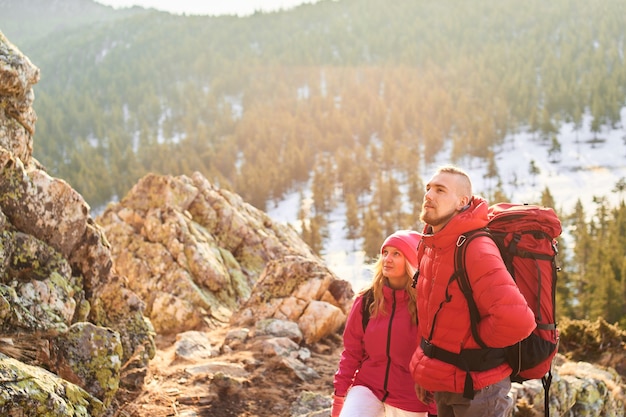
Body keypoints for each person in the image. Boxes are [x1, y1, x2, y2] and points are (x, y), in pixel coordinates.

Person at [409, 165, 536, 417]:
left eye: (440, 190)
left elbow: (518, 320)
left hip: (479, 390)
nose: (429, 195)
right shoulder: (432, 246)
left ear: (462, 201)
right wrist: (427, 370)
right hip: (447, 380)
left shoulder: (476, 249)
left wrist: (477, 341)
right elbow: (431, 318)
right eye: (428, 188)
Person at [331, 230, 437, 417]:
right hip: (368, 387)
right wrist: (339, 395)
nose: (387, 259)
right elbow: (352, 352)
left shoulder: (426, 305)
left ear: (411, 260)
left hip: (410, 397)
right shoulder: (367, 299)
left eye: (396, 254)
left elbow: (433, 360)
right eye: (385, 252)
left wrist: (434, 409)